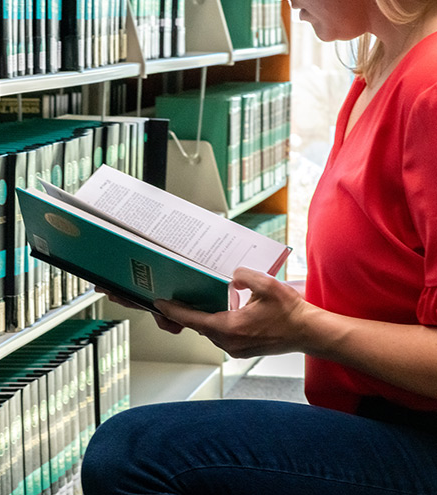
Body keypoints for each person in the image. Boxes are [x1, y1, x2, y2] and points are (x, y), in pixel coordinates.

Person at [80, 0, 437, 493]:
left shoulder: (431, 88)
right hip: (374, 410)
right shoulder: (374, 74)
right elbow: (390, 279)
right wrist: (217, 292)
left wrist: (307, 328)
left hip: (419, 432)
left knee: (135, 453)